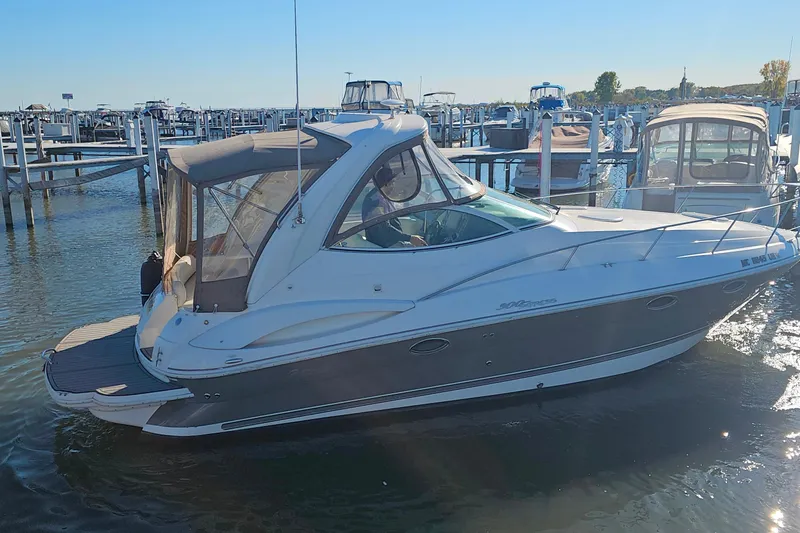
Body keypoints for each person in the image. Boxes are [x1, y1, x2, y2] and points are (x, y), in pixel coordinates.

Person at [361, 166, 427, 248]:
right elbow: (384, 228)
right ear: (387, 183)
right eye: (393, 182)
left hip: (389, 242)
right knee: (420, 249)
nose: (394, 185)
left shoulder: (382, 196)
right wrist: (410, 238)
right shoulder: (376, 201)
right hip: (385, 246)